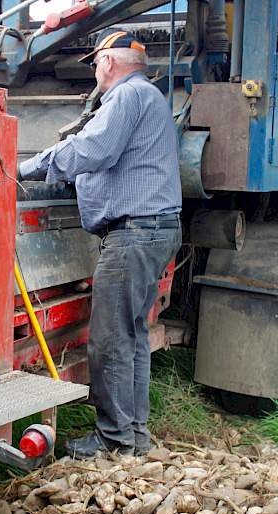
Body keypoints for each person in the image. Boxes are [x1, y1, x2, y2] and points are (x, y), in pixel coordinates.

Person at [17, 29, 182, 458]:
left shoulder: (127, 97)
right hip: (153, 230)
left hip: (134, 234)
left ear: (108, 62)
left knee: (109, 337)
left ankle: (113, 440)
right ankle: (134, 436)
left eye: (95, 62)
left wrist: (26, 167)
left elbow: (94, 149)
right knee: (131, 336)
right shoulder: (148, 96)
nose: (94, 69)